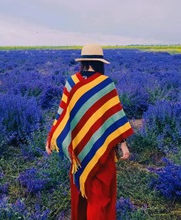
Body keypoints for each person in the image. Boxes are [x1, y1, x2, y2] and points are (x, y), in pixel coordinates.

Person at [46, 43, 134, 220]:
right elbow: (115, 117)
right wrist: (123, 145)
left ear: (83, 62)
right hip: (102, 149)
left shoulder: (72, 82)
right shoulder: (106, 84)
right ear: (101, 63)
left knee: (80, 194)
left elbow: (61, 113)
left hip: (78, 152)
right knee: (101, 196)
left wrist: (51, 138)